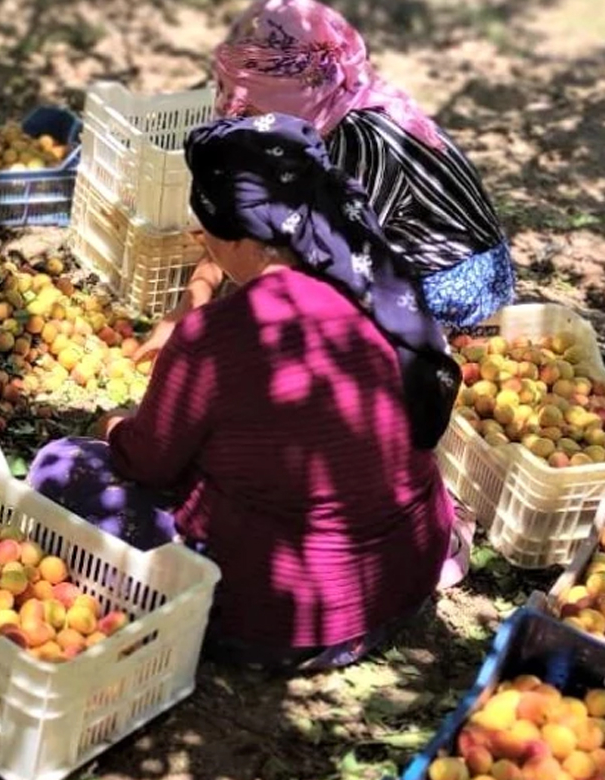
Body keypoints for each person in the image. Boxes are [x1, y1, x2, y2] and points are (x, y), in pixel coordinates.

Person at [27, 113, 465, 672]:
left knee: (62, 465)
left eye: (204, 225)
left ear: (238, 239)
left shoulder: (216, 337)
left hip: (282, 623)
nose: (199, 237)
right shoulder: (371, 287)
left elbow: (147, 463)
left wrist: (113, 424)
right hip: (402, 581)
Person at [138, 0, 514, 358]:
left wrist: (228, 330)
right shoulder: (311, 117)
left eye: (250, 107)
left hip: (449, 279)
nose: (240, 116)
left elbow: (337, 260)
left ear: (288, 96)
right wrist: (190, 305)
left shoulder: (360, 142)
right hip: (378, 249)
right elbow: (240, 218)